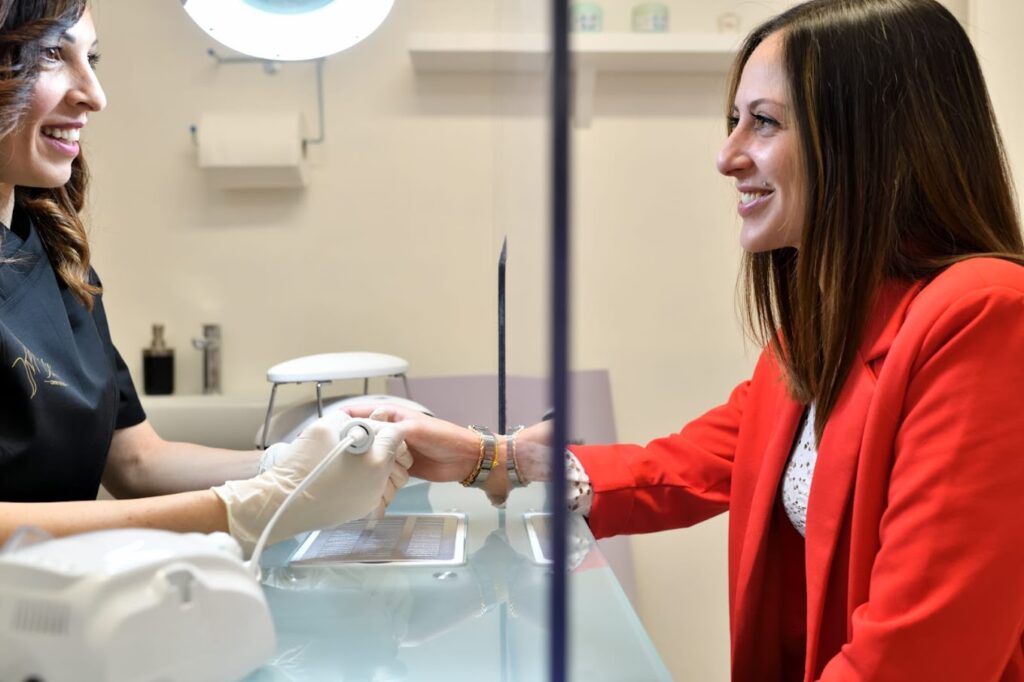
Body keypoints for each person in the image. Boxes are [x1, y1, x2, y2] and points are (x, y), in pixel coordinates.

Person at [349, 0, 1024, 679]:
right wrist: (490, 457)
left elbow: (920, 655)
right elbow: (689, 467)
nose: (727, 157)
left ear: (869, 139)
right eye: (734, 122)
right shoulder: (825, 332)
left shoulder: (985, 316)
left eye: (762, 122)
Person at [0, 0, 410, 556]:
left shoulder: (54, 254)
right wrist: (246, 507)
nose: (95, 95)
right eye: (52, 53)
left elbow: (136, 462)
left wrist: (292, 464)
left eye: (90, 57)